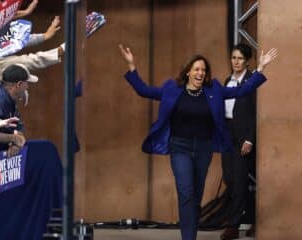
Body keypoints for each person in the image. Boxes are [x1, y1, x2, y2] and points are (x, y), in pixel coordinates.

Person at [118, 44, 277, 240]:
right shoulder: (172, 89)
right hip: (180, 147)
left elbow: (242, 91)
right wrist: (132, 65)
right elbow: (144, 91)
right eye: (196, 69)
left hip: (204, 148)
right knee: (186, 193)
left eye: (203, 70)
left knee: (196, 197)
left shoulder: (215, 90)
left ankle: (190, 235)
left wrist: (260, 68)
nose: (200, 73)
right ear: (187, 72)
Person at [220, 43, 256, 240]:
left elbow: (255, 113)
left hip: (243, 137)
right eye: (233, 58)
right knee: (229, 179)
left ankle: (233, 226)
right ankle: (252, 216)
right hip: (227, 134)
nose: (235, 62)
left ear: (247, 61)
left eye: (240, 58)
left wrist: (250, 139)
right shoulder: (227, 81)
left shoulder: (251, 81)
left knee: (240, 181)